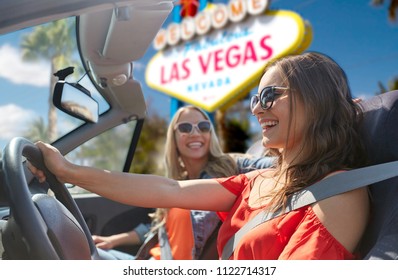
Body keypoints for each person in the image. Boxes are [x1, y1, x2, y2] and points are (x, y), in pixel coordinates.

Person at [28, 52, 370, 260]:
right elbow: (170, 191)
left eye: (268, 96)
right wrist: (68, 170)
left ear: (317, 99)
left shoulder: (340, 194)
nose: (255, 109)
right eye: (253, 99)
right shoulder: (257, 180)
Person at [94, 105, 274, 260]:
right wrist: (113, 240)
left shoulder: (231, 166)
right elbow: (157, 228)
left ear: (210, 134)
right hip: (150, 259)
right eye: (186, 127)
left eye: (203, 127)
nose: (195, 133)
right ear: (174, 137)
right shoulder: (174, 183)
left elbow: (279, 167)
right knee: (86, 252)